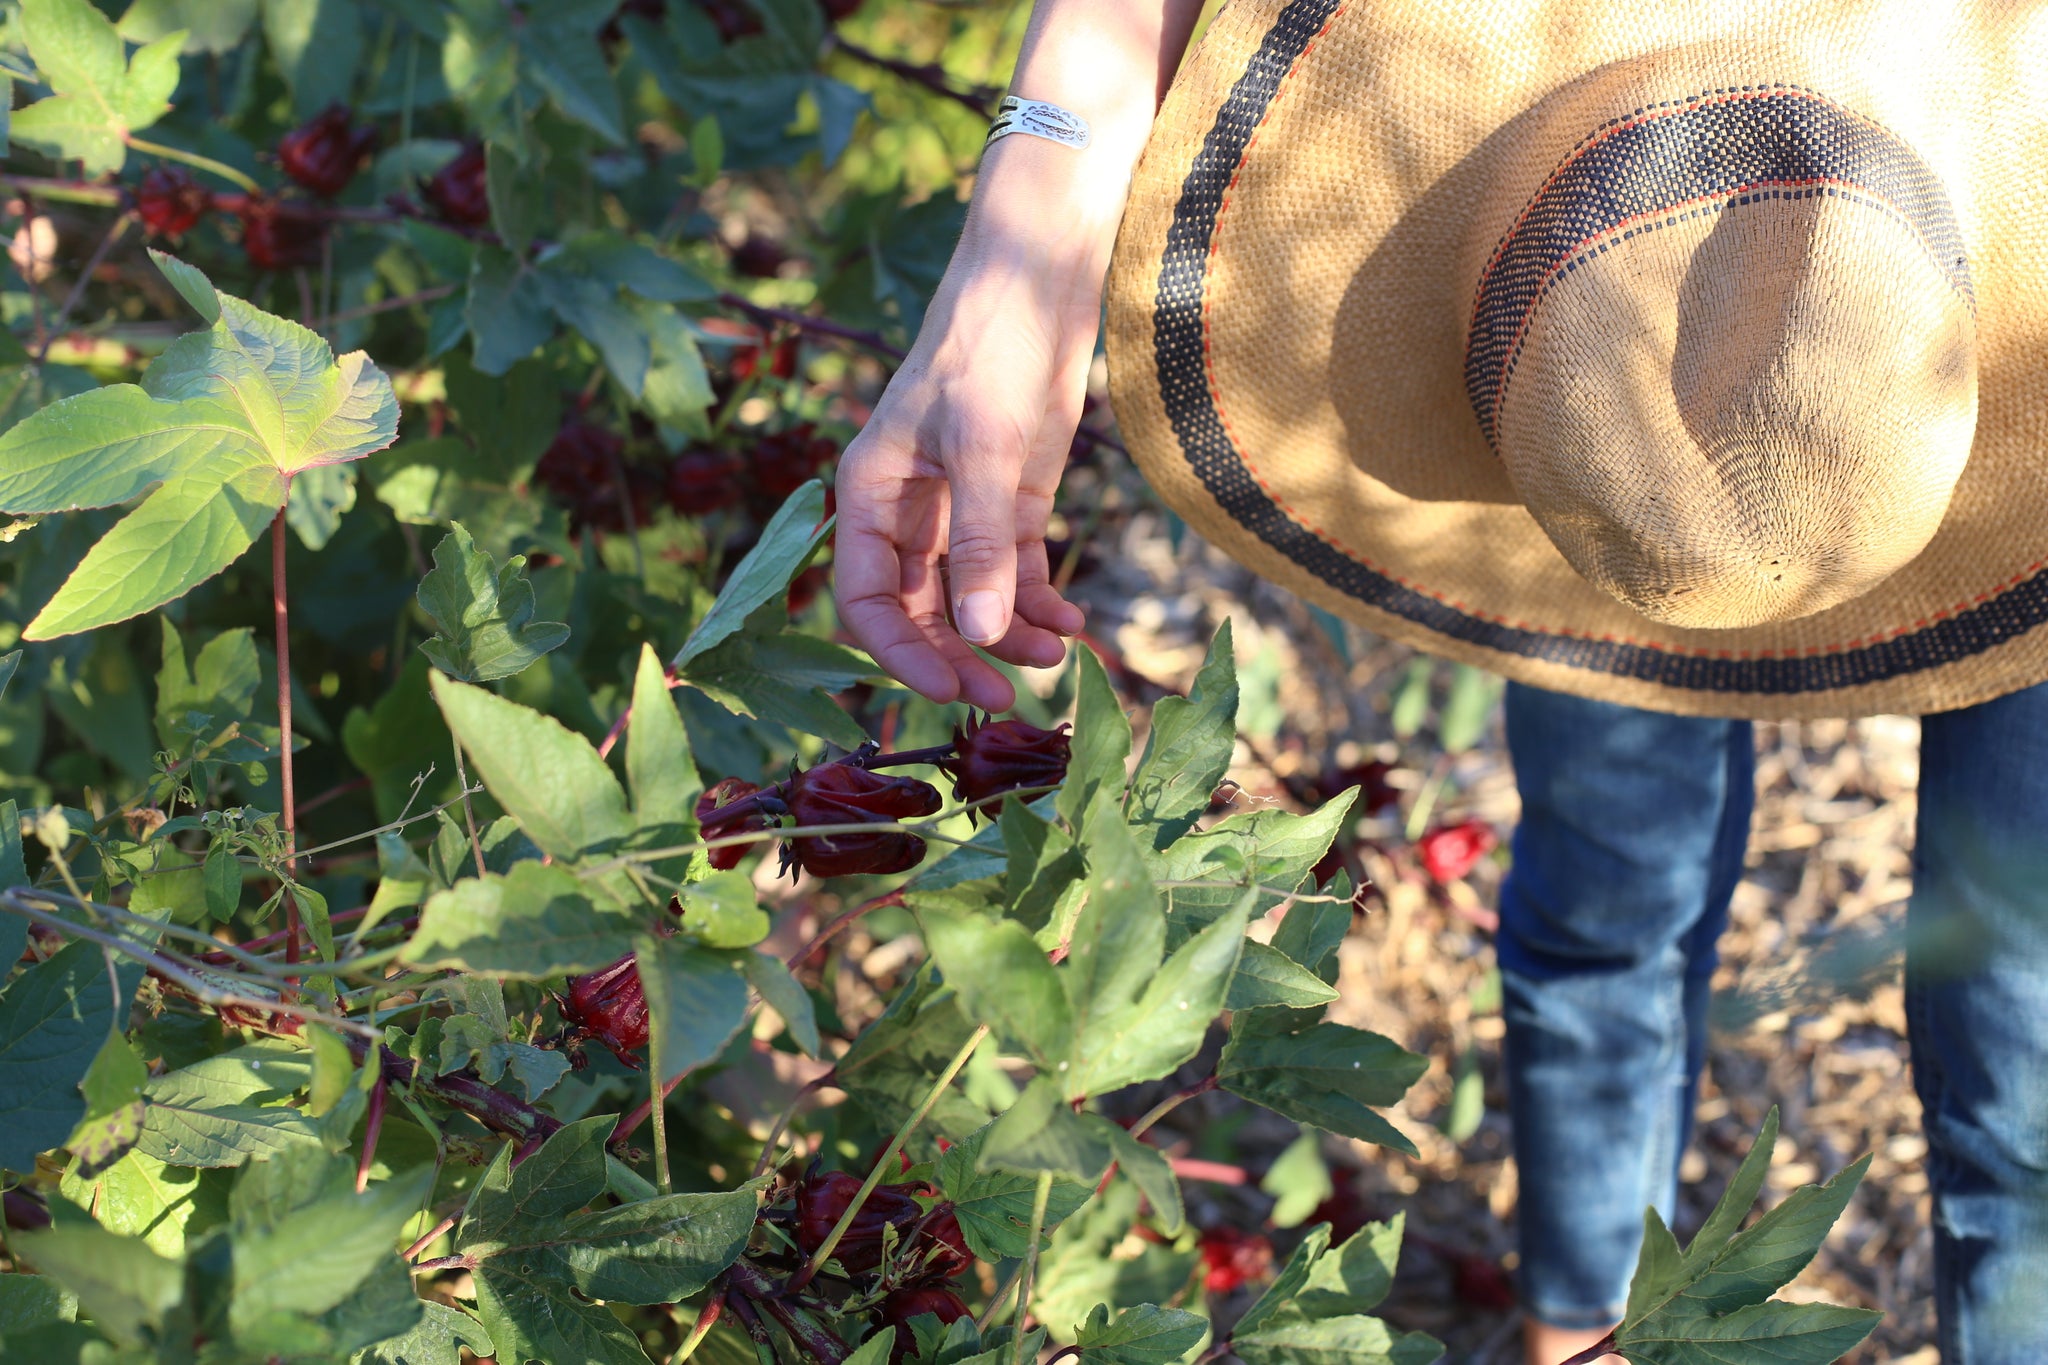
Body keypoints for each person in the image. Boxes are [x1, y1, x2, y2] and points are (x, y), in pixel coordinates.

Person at [834, 3, 2048, 1362]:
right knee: (1613, 892)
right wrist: (1031, 220)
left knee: (2022, 1001)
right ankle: (1585, 1321)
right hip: (1587, 133)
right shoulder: (1612, 353)